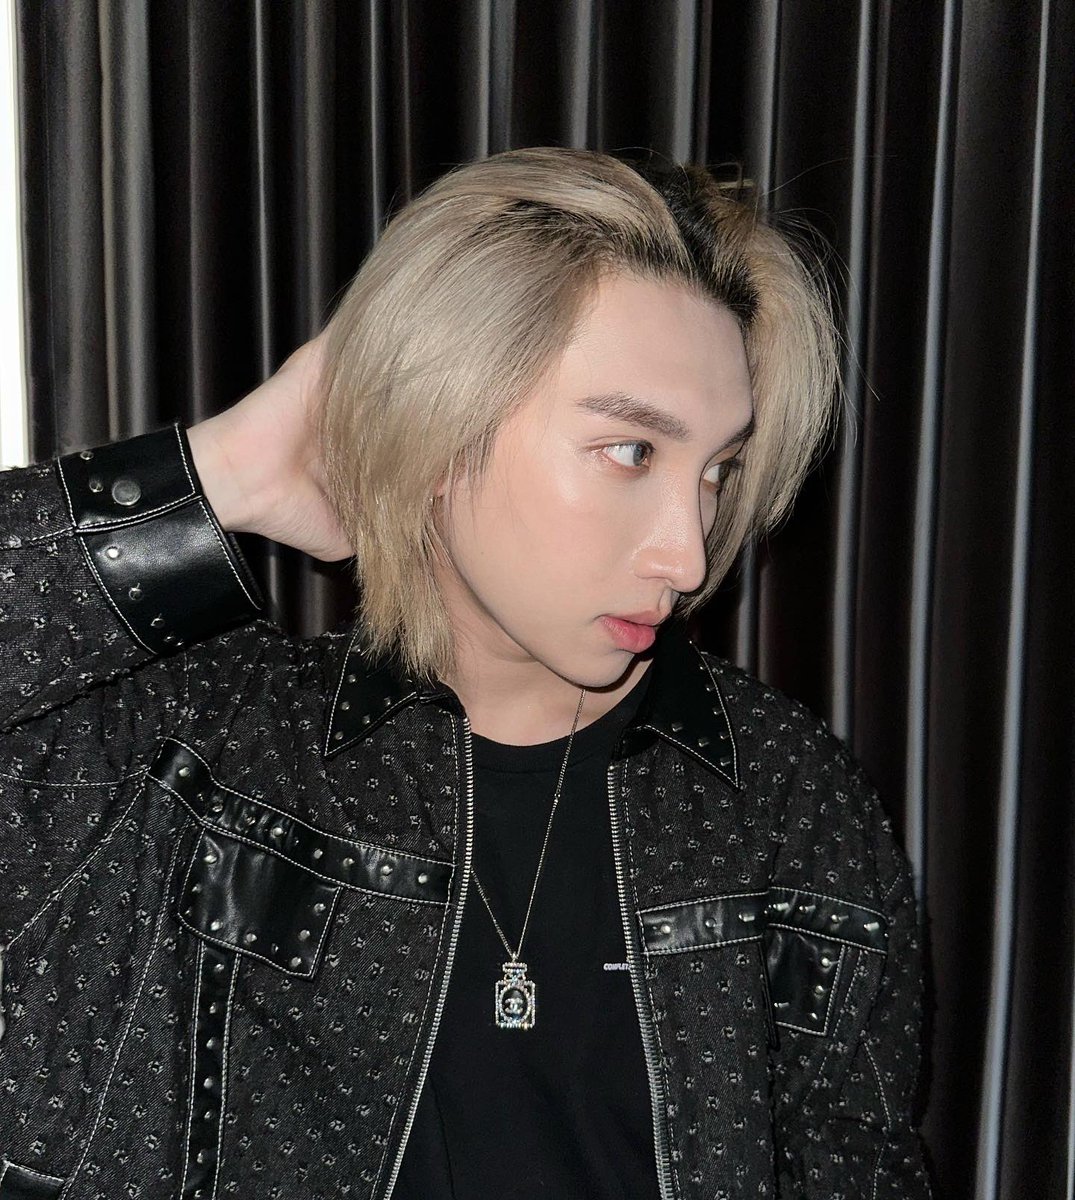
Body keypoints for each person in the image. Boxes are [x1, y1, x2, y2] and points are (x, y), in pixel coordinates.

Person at [0, 147, 932, 1198]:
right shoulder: (195, 757)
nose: (687, 554)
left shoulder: (783, 794)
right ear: (443, 420)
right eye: (630, 452)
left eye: (717, 471)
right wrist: (225, 472)